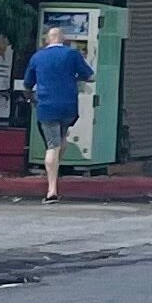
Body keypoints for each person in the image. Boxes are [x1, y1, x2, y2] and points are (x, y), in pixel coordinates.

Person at [25, 24, 94, 199]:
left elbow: (28, 83)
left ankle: (52, 189)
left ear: (47, 40)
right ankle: (54, 170)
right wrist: (74, 78)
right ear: (64, 39)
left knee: (52, 145)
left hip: (47, 106)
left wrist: (31, 98)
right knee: (62, 139)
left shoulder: (37, 57)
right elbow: (90, 75)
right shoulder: (72, 54)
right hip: (69, 106)